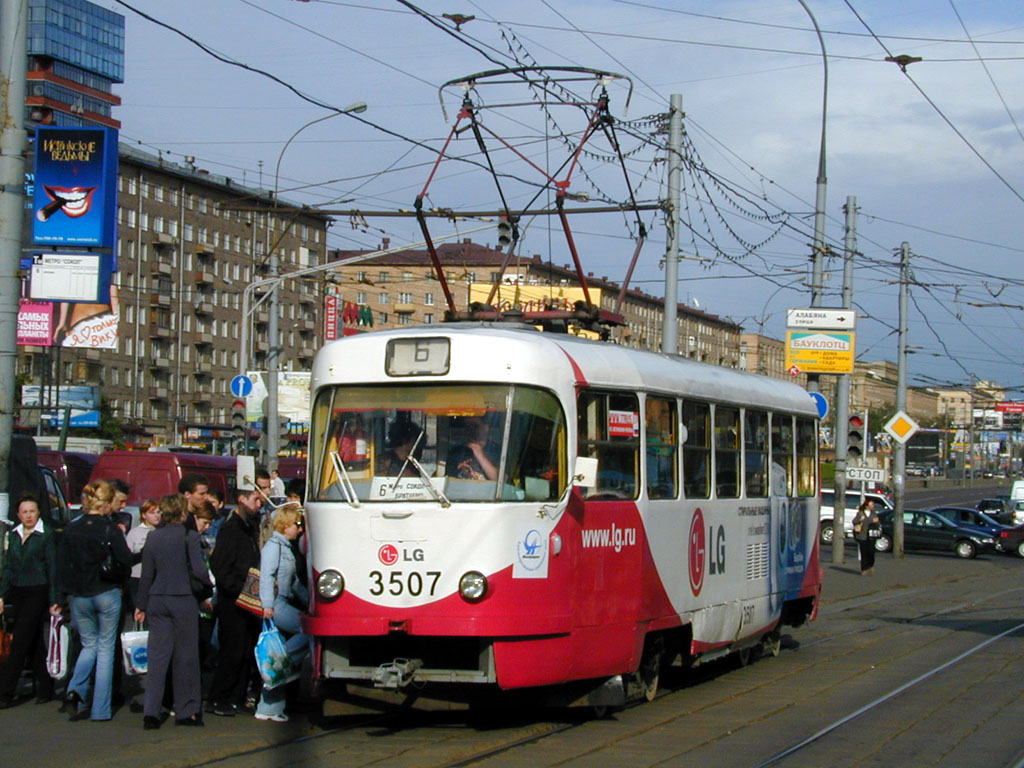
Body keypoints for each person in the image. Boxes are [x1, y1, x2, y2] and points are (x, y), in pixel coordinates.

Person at [133, 494, 211, 729]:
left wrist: (141, 605)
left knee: (157, 657)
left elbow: (147, 574)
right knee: (186, 657)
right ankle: (187, 711)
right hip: (183, 599)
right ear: (182, 513)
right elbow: (199, 571)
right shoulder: (190, 536)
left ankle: (151, 712)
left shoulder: (153, 537)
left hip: (157, 599)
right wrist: (206, 592)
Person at [57, 480, 133, 722]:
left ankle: (75, 690)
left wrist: (61, 595)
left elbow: (61, 565)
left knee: (89, 646)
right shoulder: (110, 529)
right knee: (105, 649)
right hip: (106, 592)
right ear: (107, 502)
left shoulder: (72, 528)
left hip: (79, 594)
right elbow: (125, 560)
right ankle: (100, 708)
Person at [206, 487, 262, 717]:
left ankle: (236, 696)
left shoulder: (249, 526)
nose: (259, 504)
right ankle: (218, 698)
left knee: (246, 650)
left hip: (248, 596)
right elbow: (221, 566)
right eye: (255, 499)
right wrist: (234, 588)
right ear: (241, 499)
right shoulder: (231, 528)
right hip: (233, 599)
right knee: (232, 650)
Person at [0, 493, 59, 708]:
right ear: (18, 514)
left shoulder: (46, 535)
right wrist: (1, 595)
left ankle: (5, 693)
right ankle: (45, 687)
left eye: (32, 511)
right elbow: (8, 567)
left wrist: (55, 599)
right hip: (18, 591)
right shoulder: (14, 534)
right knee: (34, 642)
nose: (28, 516)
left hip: (38, 591)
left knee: (19, 642)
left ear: (38, 512)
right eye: (24, 512)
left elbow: (53, 568)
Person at [254, 503, 309, 723]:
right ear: (285, 525)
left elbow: (294, 583)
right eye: (297, 524)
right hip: (276, 604)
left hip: (283, 601)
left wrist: (311, 603)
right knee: (307, 629)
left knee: (304, 630)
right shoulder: (273, 547)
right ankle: (281, 662)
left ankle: (270, 708)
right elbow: (266, 576)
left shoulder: (286, 548)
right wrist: (267, 604)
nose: (300, 529)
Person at [446, 416, 498, 481]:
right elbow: (447, 480)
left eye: (475, 426)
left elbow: (502, 481)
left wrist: (480, 456)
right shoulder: (456, 452)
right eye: (468, 426)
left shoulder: (498, 451)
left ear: (485, 428)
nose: (471, 430)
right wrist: (459, 470)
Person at [852, 498, 881, 575]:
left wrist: (876, 522)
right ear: (866, 506)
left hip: (871, 535)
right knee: (863, 552)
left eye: (873, 505)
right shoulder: (860, 513)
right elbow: (854, 521)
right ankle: (864, 568)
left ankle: (871, 565)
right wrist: (860, 520)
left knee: (871, 551)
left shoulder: (874, 513)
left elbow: (878, 524)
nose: (872, 506)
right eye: (871, 505)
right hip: (862, 535)